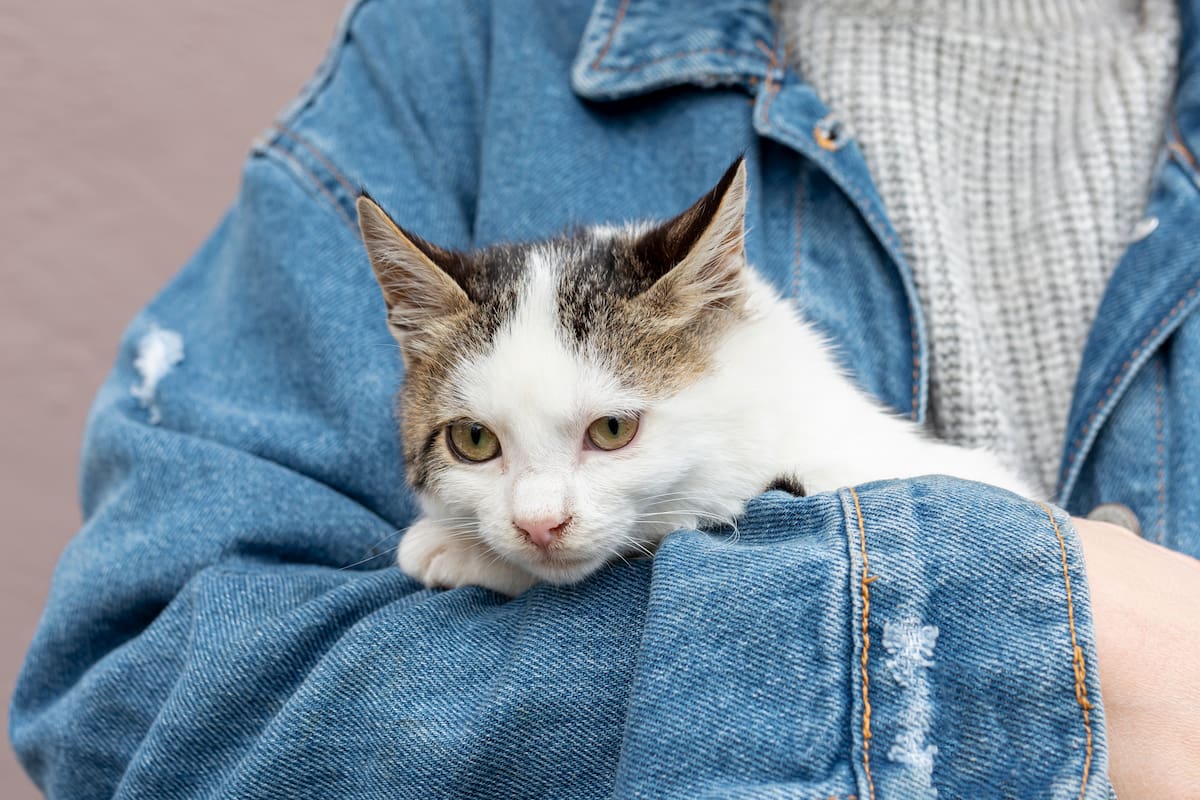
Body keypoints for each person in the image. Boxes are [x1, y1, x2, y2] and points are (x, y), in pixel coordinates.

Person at [11, 0, 1200, 797]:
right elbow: (130, 704)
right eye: (475, 440)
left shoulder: (768, 397)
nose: (537, 515)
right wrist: (1053, 643)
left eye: (611, 428)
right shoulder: (458, 40)